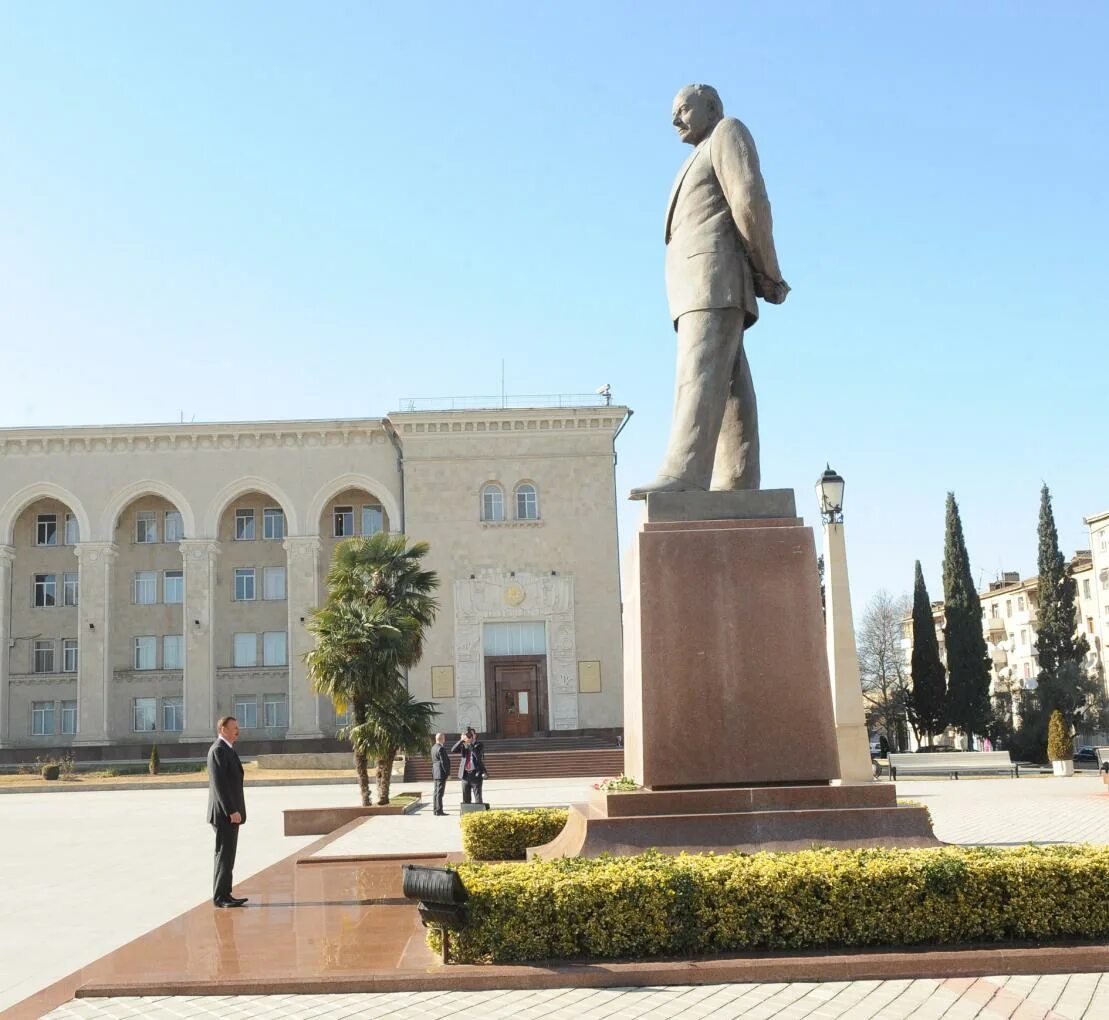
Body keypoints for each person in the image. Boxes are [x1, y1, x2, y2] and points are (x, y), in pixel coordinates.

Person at [631, 84, 789, 500]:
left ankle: (685, 472)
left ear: (712, 107)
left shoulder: (727, 133)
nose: (674, 120)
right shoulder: (697, 154)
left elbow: (749, 199)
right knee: (732, 383)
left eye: (683, 109)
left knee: (698, 373)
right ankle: (737, 480)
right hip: (698, 284)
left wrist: (767, 269)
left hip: (713, 277)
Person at [206, 716, 248, 908]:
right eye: (233, 728)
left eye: (237, 728)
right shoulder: (218, 751)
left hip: (232, 813)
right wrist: (231, 810)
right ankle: (220, 897)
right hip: (225, 814)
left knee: (229, 855)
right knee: (224, 854)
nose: (237, 731)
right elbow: (219, 785)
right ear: (222, 729)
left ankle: (226, 893)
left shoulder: (228, 749)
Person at [451, 731, 485, 805]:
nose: (469, 736)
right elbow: (453, 750)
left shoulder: (479, 744)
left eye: (471, 734)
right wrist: (462, 740)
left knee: (478, 798)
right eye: (468, 735)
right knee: (466, 798)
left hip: (475, 774)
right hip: (465, 774)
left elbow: (477, 755)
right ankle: (467, 815)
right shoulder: (463, 745)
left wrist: (470, 744)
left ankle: (478, 814)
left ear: (474, 735)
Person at [430, 732, 450, 816]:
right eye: (444, 737)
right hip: (441, 772)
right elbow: (444, 762)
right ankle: (439, 810)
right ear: (441, 739)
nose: (445, 739)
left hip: (435, 772)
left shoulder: (433, 747)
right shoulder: (441, 748)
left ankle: (435, 809)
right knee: (440, 792)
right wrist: (447, 773)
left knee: (436, 792)